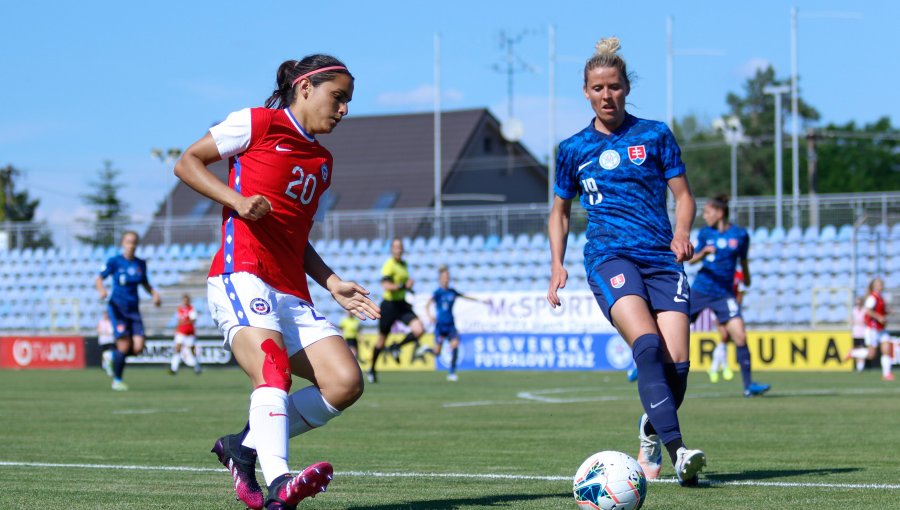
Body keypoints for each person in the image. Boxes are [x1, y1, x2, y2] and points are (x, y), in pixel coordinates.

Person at [175, 55, 380, 510]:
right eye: (338, 97)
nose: (344, 109)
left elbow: (296, 236)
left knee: (345, 383)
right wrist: (237, 200)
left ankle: (243, 448)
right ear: (305, 88)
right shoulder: (258, 123)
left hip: (291, 289)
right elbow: (187, 162)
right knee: (274, 373)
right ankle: (279, 485)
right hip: (241, 274)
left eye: (348, 101)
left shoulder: (322, 162)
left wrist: (332, 282)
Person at [546, 37, 705, 486]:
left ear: (626, 88)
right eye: (597, 88)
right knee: (648, 346)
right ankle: (680, 452)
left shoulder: (655, 134)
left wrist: (681, 232)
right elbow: (559, 211)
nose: (606, 95)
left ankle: (650, 430)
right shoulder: (573, 149)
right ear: (585, 91)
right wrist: (557, 263)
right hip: (608, 256)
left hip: (661, 256)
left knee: (677, 367)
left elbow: (684, 196)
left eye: (614, 87)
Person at [688, 195, 769, 397]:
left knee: (740, 335)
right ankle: (648, 365)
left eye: (707, 212)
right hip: (701, 289)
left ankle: (749, 385)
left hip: (724, 293)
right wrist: (703, 253)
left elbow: (744, 261)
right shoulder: (706, 233)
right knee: (676, 326)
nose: (704, 216)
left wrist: (747, 279)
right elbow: (691, 261)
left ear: (720, 213)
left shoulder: (740, 235)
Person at [94, 230, 161, 391]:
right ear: (123, 243)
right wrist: (102, 290)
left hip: (133, 309)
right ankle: (117, 380)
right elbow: (99, 278)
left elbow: (145, 282)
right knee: (124, 346)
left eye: (133, 242)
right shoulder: (115, 261)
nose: (131, 245)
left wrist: (154, 293)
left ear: (136, 244)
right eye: (128, 241)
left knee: (138, 347)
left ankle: (112, 356)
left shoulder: (140, 264)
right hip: (118, 308)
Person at [366, 237, 425, 383]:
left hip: (401, 304)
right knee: (381, 340)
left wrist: (408, 284)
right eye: (396, 247)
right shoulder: (389, 265)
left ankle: (395, 347)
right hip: (389, 305)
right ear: (392, 249)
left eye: (400, 247)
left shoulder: (404, 264)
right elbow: (386, 285)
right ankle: (372, 369)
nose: (398, 249)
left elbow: (404, 282)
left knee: (419, 330)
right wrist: (404, 286)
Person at [419, 265, 483, 381]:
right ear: (440, 279)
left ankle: (451, 372)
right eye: (444, 277)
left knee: (455, 345)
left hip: (451, 325)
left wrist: (479, 300)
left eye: (447, 277)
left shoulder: (452, 292)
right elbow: (427, 305)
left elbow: (465, 296)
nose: (446, 279)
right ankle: (426, 349)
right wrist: (429, 316)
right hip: (440, 326)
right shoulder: (437, 293)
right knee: (437, 353)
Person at [846, 278, 894, 381]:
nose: (879, 286)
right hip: (872, 329)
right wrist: (879, 317)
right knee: (871, 354)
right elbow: (867, 311)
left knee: (886, 350)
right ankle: (853, 353)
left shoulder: (880, 297)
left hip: (881, 329)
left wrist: (888, 312)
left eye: (880, 284)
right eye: (877, 284)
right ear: (873, 286)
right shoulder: (872, 298)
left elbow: (880, 311)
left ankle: (886, 374)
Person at [169, 293, 202, 375]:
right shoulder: (179, 309)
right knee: (177, 348)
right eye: (184, 300)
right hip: (181, 332)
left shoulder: (191, 309)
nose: (185, 301)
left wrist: (184, 322)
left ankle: (197, 367)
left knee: (192, 350)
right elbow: (179, 321)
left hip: (189, 333)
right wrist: (176, 329)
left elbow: (193, 320)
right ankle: (174, 368)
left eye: (186, 300)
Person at [845, 297, 869, 372]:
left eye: (859, 303)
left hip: (863, 333)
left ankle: (852, 354)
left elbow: (866, 321)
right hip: (856, 333)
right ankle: (859, 367)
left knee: (862, 350)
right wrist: (858, 322)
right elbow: (851, 321)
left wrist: (858, 322)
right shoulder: (854, 310)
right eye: (857, 303)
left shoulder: (865, 310)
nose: (858, 304)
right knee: (860, 350)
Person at [96, 310, 115, 377]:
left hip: (111, 340)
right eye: (105, 314)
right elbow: (98, 330)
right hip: (103, 341)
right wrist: (104, 332)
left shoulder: (111, 321)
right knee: (104, 354)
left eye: (107, 314)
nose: (106, 316)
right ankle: (105, 365)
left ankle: (109, 366)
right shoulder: (100, 322)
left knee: (111, 354)